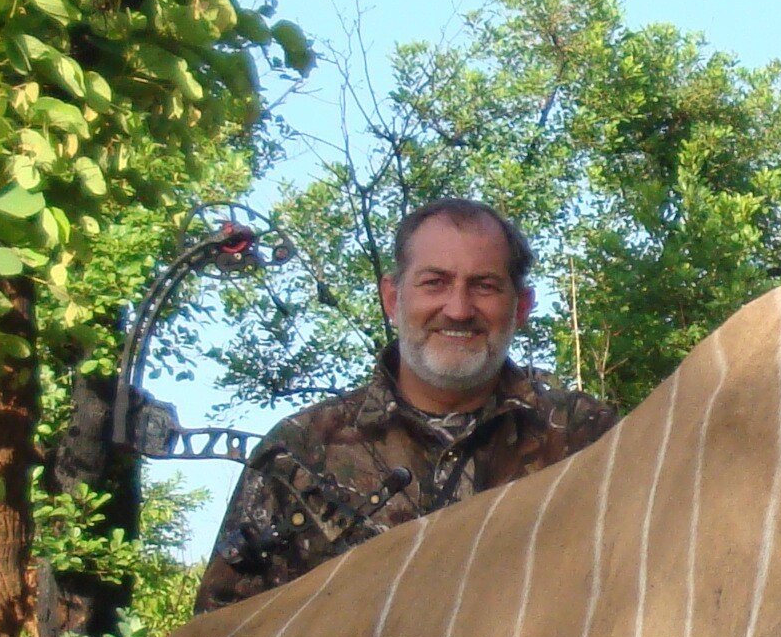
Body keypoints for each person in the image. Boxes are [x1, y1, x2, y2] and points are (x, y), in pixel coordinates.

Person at [194, 199, 618, 612]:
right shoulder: (300, 453)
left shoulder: (587, 438)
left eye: (484, 286)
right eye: (434, 282)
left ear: (521, 306)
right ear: (392, 300)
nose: (458, 309)